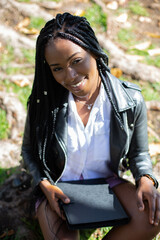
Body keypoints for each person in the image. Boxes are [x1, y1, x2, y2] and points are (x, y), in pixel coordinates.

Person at [21, 12, 160, 240]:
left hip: (107, 184)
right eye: (57, 68)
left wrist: (145, 178)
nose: (71, 76)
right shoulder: (44, 103)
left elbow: (140, 153)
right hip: (58, 187)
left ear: (93, 51)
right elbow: (28, 151)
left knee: (153, 216)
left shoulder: (129, 100)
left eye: (76, 61)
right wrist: (44, 184)